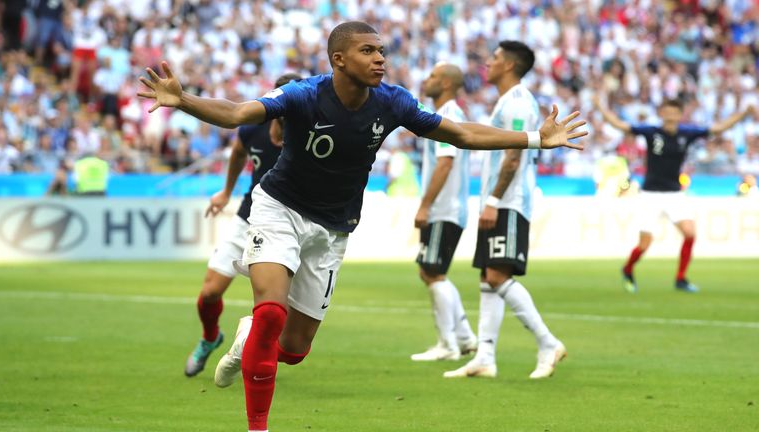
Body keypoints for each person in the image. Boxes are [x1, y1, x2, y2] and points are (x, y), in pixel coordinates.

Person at [139, 21, 586, 432]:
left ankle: (246, 338)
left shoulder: (392, 102)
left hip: (333, 229)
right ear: (338, 59)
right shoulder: (302, 95)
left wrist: (535, 139)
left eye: (382, 51)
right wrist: (183, 101)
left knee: (293, 350)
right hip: (280, 209)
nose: (380, 59)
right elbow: (238, 113)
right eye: (368, 51)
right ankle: (258, 425)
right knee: (271, 312)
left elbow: (462, 134)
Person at [443, 41, 567, 380]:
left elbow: (514, 153)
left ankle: (547, 342)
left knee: (498, 275)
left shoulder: (516, 102)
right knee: (488, 276)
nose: (488, 62)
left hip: (509, 201)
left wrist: (494, 201)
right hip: (501, 200)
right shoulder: (509, 100)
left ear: (510, 65)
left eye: (495, 58)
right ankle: (485, 356)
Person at [184, 73, 302, 379]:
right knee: (210, 292)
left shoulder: (308, 136)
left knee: (272, 312)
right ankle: (211, 337)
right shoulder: (253, 129)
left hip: (288, 225)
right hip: (248, 217)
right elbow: (238, 153)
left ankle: (247, 348)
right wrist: (226, 191)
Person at [594, 96, 755, 293]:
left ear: (680, 114)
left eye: (675, 111)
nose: (671, 115)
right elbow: (621, 125)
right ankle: (627, 269)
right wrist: (600, 108)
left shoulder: (687, 133)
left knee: (690, 233)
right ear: (661, 113)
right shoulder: (651, 132)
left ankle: (680, 279)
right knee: (645, 244)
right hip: (651, 194)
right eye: (667, 111)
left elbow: (719, 129)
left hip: (674, 194)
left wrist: (743, 114)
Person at [411, 62, 477, 362]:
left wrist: (425, 205)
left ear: (448, 84)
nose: (428, 79)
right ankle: (463, 338)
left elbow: (445, 162)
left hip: (444, 208)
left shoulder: (447, 116)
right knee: (432, 272)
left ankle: (447, 344)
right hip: (449, 207)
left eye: (434, 75)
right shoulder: (450, 115)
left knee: (432, 272)